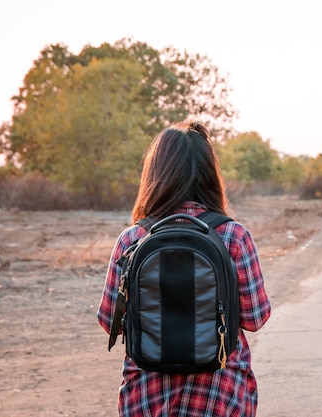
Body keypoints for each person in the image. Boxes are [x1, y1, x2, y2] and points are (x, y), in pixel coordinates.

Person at [97, 120, 271, 417]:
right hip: (220, 395)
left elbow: (107, 320)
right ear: (210, 175)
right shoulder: (234, 236)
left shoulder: (132, 240)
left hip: (147, 399)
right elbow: (255, 319)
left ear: (154, 176)